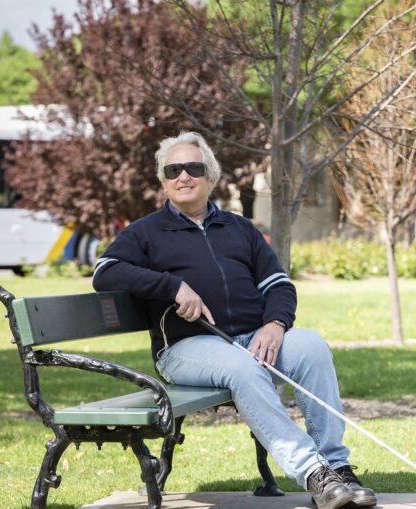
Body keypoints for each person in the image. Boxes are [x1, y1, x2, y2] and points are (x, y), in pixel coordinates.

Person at [92, 132, 376, 509]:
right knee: (242, 368)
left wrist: (275, 324)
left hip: (252, 337)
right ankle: (313, 473)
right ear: (163, 180)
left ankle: (337, 468)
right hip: (185, 348)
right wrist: (172, 287)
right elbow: (105, 272)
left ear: (210, 176)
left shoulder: (240, 228)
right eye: (173, 170)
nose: (183, 176)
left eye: (194, 168)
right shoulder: (145, 232)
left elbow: (278, 284)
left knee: (311, 346)